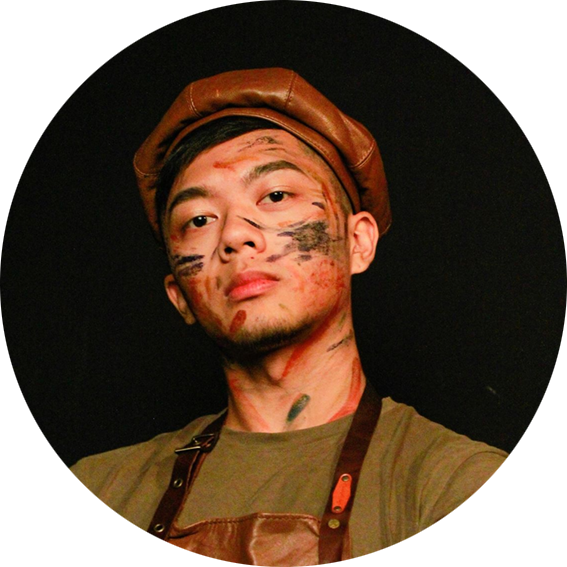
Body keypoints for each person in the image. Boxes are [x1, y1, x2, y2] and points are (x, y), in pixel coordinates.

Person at [70, 68, 507, 563]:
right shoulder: (103, 487)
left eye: (275, 196)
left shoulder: (454, 482)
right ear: (179, 296)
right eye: (199, 220)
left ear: (358, 243)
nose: (235, 234)